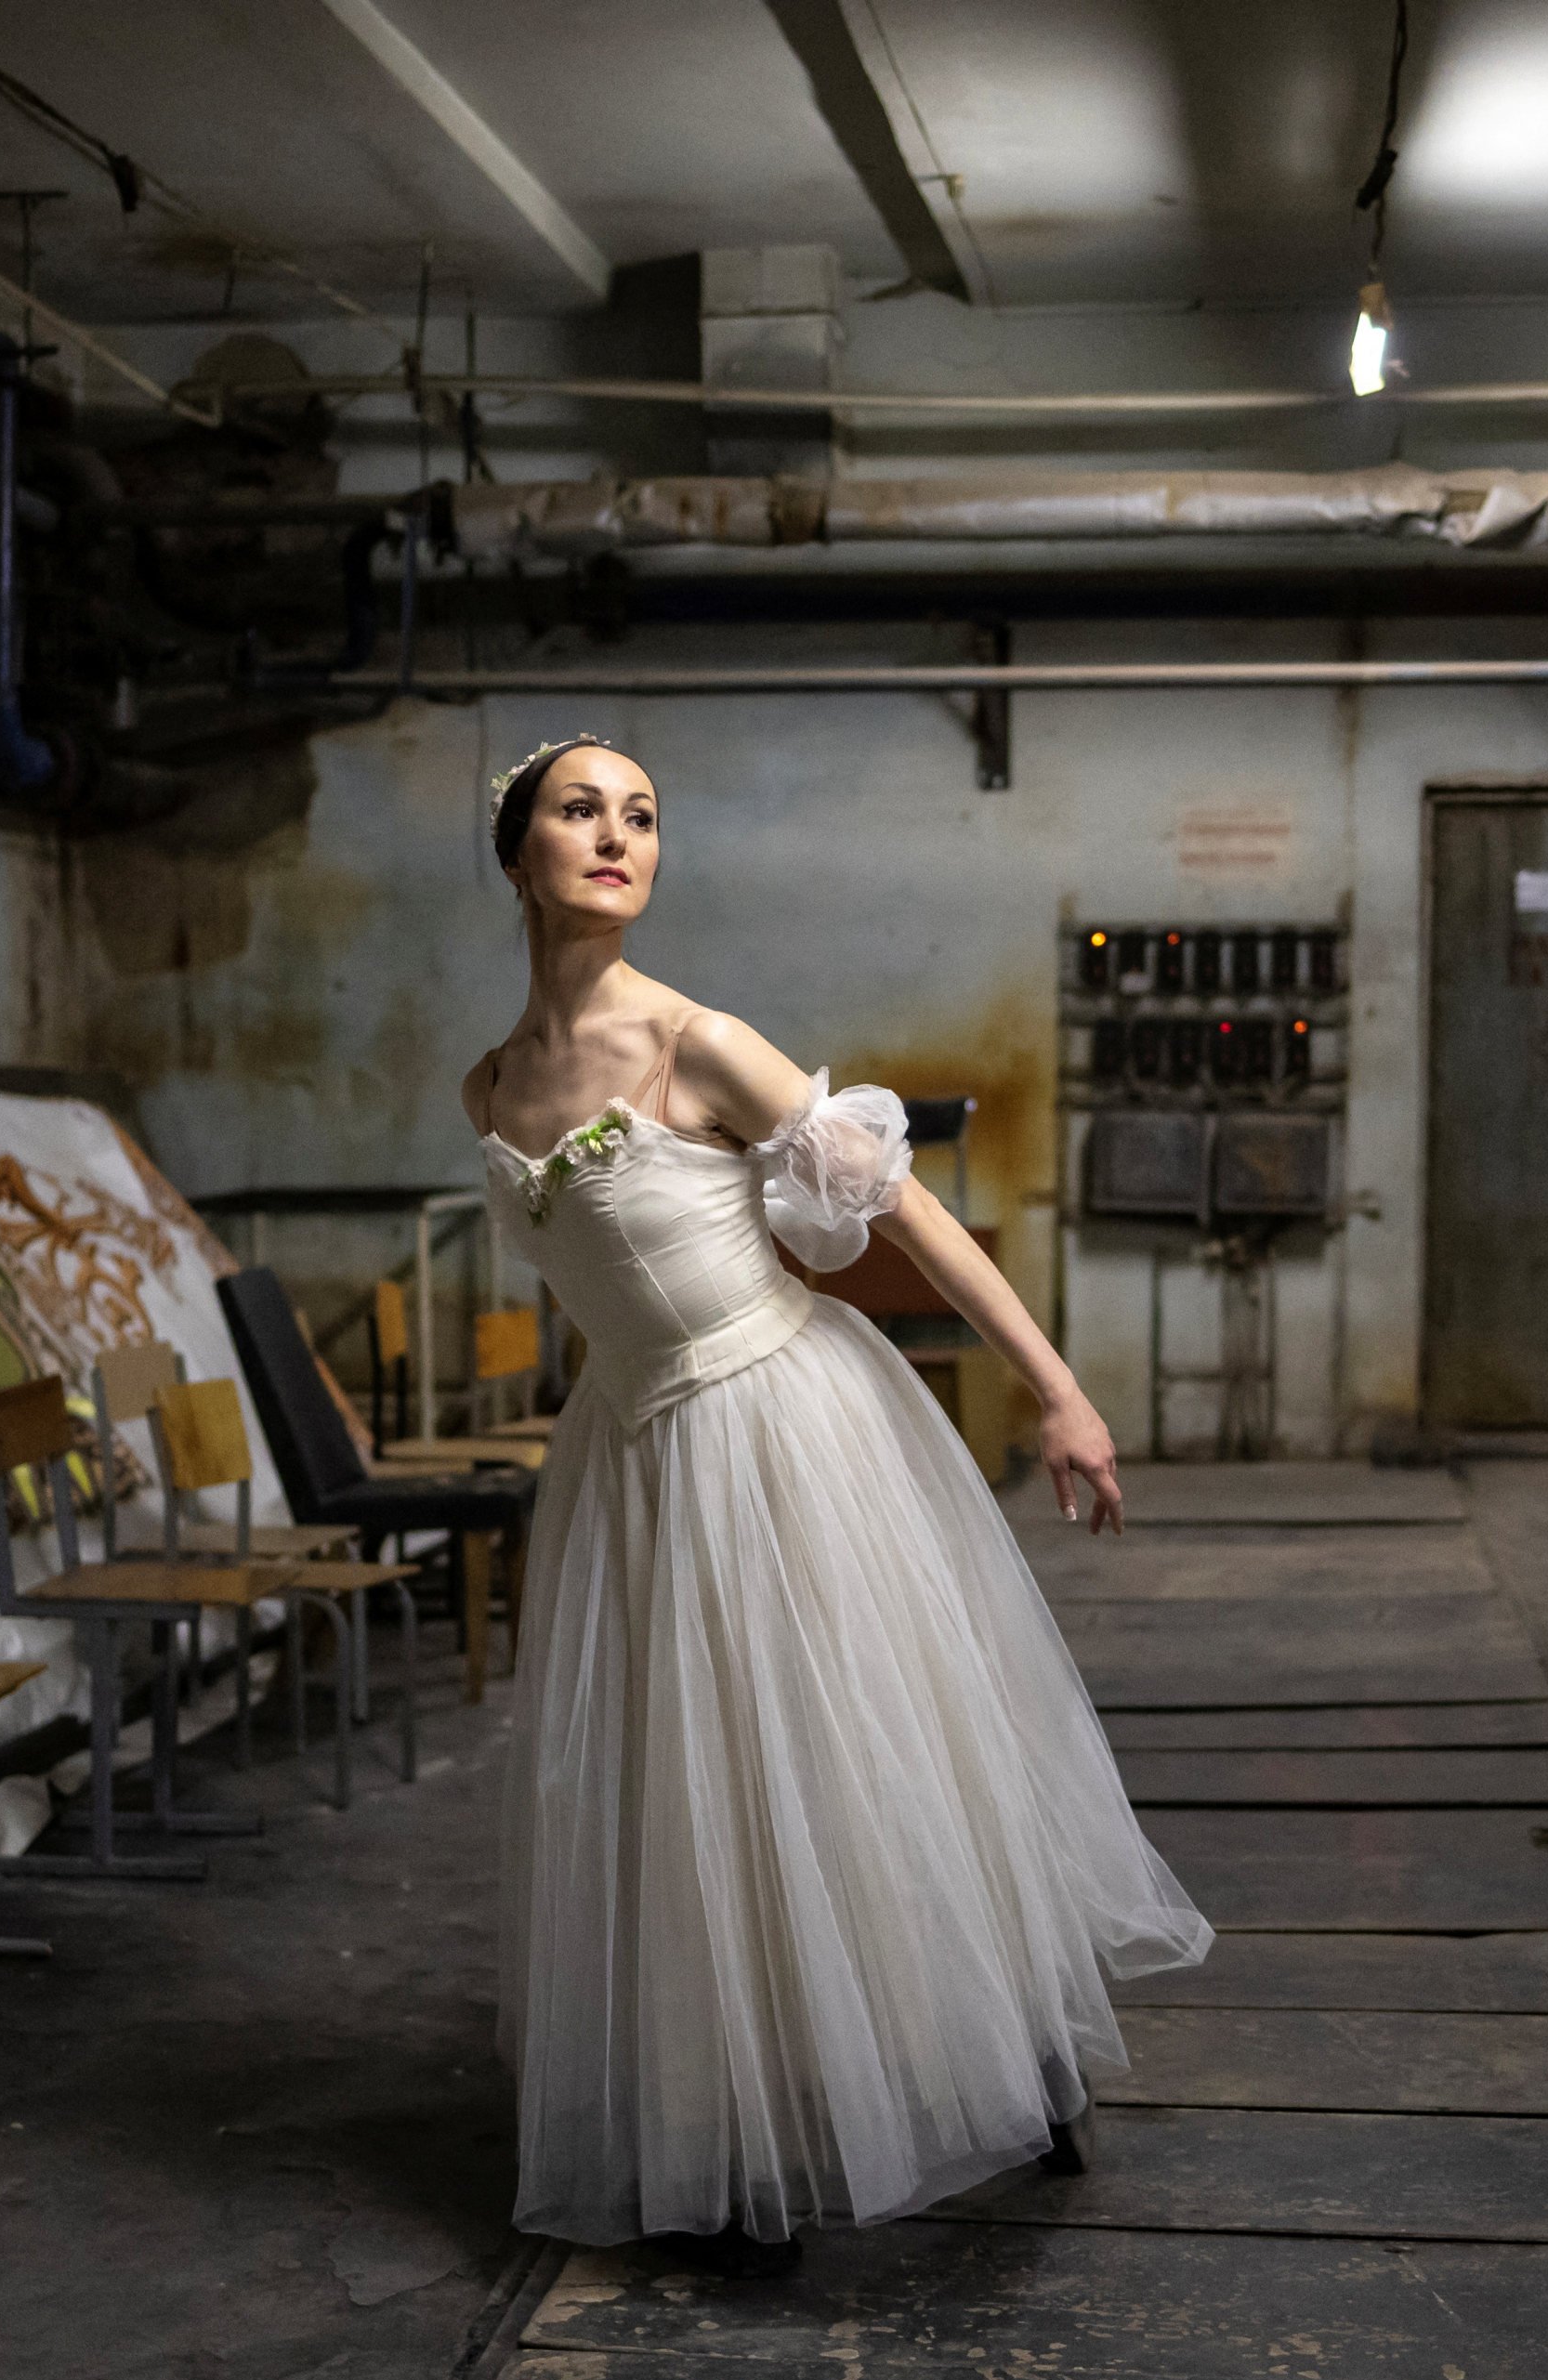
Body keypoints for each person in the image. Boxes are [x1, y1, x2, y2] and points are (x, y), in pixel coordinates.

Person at [461, 735, 1213, 2278]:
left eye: (642, 815)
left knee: (861, 1753)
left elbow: (913, 1217)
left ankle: (1015, 2050)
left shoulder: (701, 1043)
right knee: (688, 1784)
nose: (617, 834)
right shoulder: (488, 1084)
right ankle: (729, 2128)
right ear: (518, 849)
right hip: (632, 1447)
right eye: (580, 808)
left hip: (776, 1420)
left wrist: (1060, 1391)